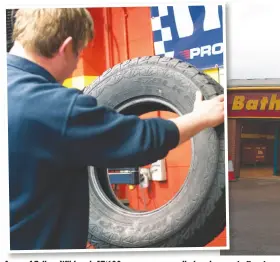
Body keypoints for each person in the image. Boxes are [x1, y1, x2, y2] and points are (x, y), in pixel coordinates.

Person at [7, 8, 225, 250]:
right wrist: (201, 118)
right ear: (66, 47)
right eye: (78, 54)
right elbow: (143, 140)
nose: (75, 66)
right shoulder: (56, 107)